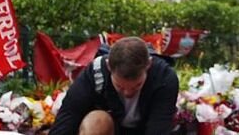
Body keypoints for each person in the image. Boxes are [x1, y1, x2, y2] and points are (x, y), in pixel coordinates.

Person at [49, 37, 179, 135]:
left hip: (145, 130)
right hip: (112, 129)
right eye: (120, 87)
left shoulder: (164, 78)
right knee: (97, 121)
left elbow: (159, 130)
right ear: (108, 66)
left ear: (148, 65)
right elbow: (68, 117)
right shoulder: (95, 72)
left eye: (136, 86)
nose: (128, 93)